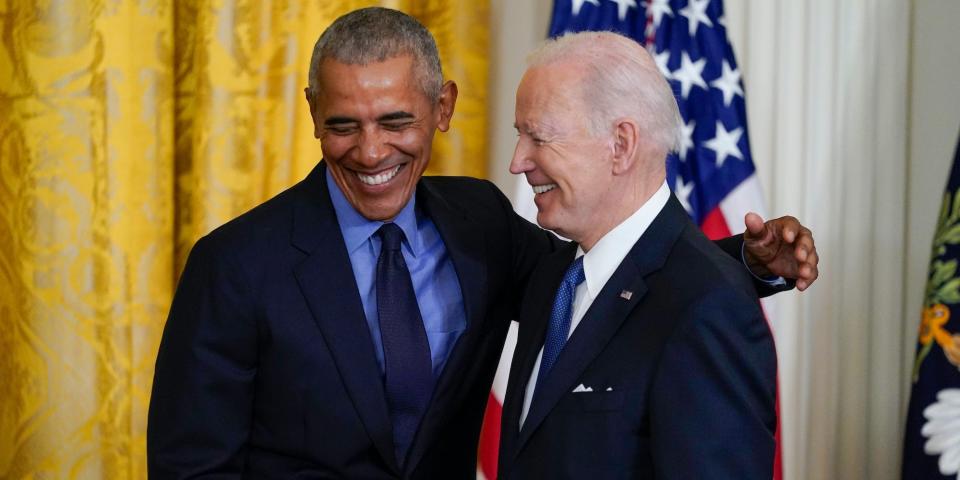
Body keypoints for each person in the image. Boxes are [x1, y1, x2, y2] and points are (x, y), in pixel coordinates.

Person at [147, 7, 818, 479]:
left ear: (442, 109)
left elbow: (612, 279)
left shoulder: (481, 224)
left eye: (397, 120)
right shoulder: (233, 265)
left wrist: (743, 266)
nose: (371, 150)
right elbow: (190, 469)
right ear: (314, 115)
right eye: (343, 125)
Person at [497, 31, 779, 479]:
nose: (518, 162)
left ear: (621, 145)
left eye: (540, 137)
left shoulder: (708, 306)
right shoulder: (552, 278)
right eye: (520, 135)